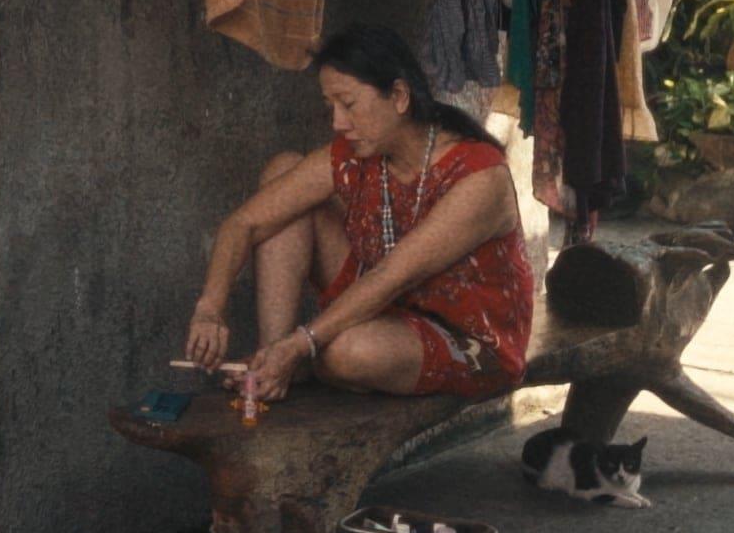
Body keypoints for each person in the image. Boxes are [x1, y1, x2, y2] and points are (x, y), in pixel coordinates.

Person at [182, 23, 532, 419]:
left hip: (465, 337)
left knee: (348, 353)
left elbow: (391, 278)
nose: (337, 123)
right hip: (384, 306)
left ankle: (287, 359)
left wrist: (301, 346)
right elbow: (244, 222)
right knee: (284, 174)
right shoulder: (358, 154)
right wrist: (209, 309)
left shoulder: (479, 176)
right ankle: (273, 361)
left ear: (399, 97)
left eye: (348, 104)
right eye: (330, 106)